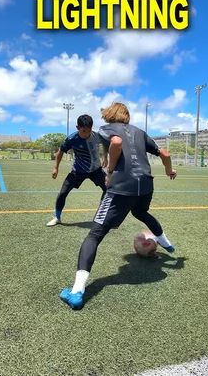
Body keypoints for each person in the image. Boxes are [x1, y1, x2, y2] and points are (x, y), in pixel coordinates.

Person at [59, 102, 177, 309]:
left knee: (95, 234)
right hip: (146, 185)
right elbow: (165, 154)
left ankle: (77, 292)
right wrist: (169, 171)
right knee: (141, 211)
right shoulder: (140, 132)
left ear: (109, 115)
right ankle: (167, 244)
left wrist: (110, 172)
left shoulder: (106, 129)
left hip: (122, 186)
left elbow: (116, 142)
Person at [46, 114, 107, 226]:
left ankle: (100, 217)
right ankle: (57, 217)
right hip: (78, 171)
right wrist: (55, 168)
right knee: (63, 193)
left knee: (108, 189)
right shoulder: (71, 139)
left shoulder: (97, 136)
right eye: (83, 131)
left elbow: (106, 144)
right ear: (77, 127)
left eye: (89, 130)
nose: (86, 134)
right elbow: (60, 152)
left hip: (96, 170)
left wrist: (106, 158)